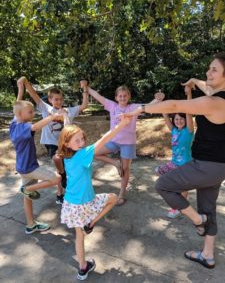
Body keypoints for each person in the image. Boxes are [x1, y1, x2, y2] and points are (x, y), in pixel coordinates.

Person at [124, 52, 225, 269]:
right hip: (217, 167)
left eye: (214, 69)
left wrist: (140, 108)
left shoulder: (215, 102)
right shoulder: (218, 96)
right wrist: (193, 82)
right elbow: (206, 86)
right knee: (208, 209)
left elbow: (172, 106)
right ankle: (207, 255)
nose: (208, 72)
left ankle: (198, 221)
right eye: (208, 68)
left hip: (206, 165)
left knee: (164, 185)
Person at [57, 115, 131, 281]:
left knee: (79, 236)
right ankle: (90, 222)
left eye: (82, 138)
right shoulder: (82, 154)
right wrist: (123, 124)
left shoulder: (67, 156)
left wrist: (66, 121)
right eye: (77, 140)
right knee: (113, 198)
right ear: (67, 143)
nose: (81, 142)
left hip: (71, 202)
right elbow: (104, 139)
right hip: (84, 202)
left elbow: (68, 137)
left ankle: (82, 268)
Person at [87, 83, 164, 206]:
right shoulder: (112, 106)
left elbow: (148, 106)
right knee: (92, 153)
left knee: (125, 168)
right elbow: (98, 96)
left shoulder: (133, 107)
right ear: (116, 97)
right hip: (113, 141)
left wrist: (158, 99)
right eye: (120, 96)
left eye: (125, 96)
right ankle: (115, 163)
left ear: (129, 96)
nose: (122, 98)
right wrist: (87, 88)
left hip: (128, 143)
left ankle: (121, 194)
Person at [10, 77, 62, 234]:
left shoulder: (14, 123)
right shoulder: (25, 127)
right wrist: (52, 116)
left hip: (22, 166)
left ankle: (30, 224)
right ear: (21, 114)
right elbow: (36, 126)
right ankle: (27, 189)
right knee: (56, 179)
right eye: (30, 112)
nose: (33, 113)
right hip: (30, 167)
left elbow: (17, 104)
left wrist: (21, 88)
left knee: (29, 196)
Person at [23, 79, 88, 204]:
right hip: (51, 143)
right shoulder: (46, 108)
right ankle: (62, 187)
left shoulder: (68, 111)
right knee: (57, 160)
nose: (59, 101)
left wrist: (85, 88)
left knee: (68, 166)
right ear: (50, 100)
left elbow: (84, 105)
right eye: (56, 99)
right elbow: (34, 95)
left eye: (61, 99)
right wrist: (26, 83)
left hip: (67, 143)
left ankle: (62, 193)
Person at [155, 86, 194, 219]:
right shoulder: (174, 130)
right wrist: (160, 102)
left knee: (182, 187)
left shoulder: (188, 131)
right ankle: (178, 202)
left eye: (181, 118)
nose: (179, 121)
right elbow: (165, 115)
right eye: (176, 119)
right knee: (158, 172)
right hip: (173, 163)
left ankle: (178, 208)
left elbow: (189, 111)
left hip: (185, 164)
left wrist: (189, 94)